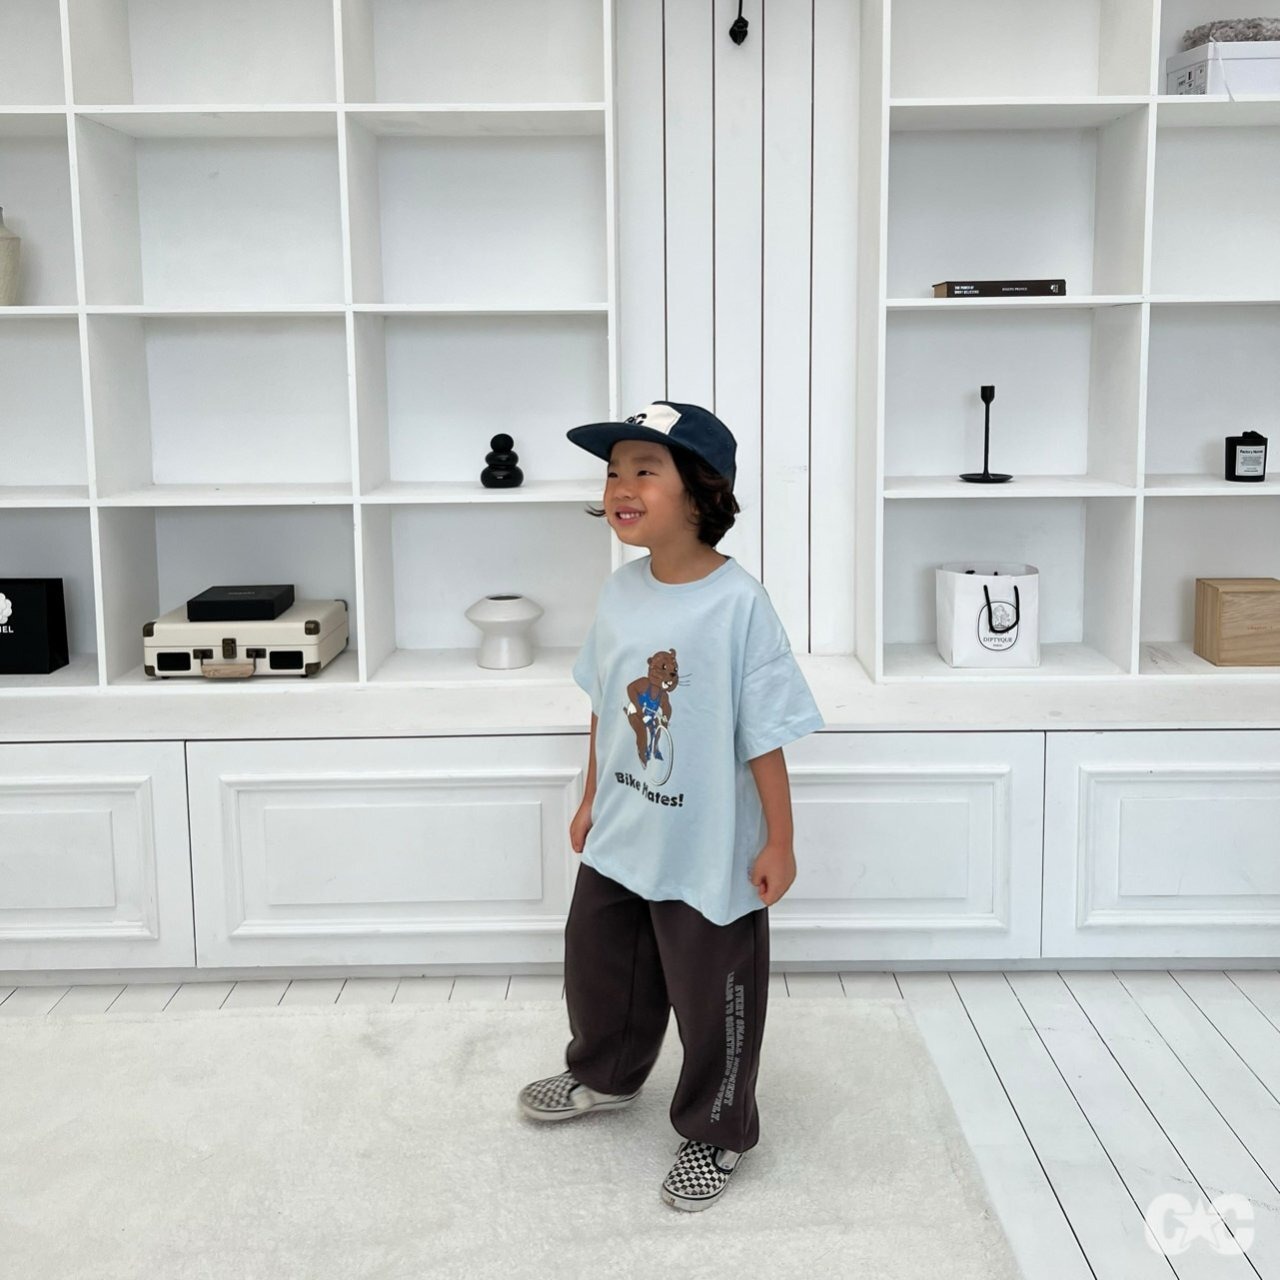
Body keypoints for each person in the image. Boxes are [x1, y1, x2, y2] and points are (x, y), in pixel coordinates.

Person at [516, 400, 825, 1212]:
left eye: (645, 471)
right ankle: (607, 1073)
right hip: (624, 826)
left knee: (712, 992)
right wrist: (590, 797)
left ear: (701, 491)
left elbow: (765, 732)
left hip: (707, 845)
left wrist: (780, 840)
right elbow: (602, 703)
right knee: (598, 964)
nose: (621, 486)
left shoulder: (739, 603)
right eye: (613, 472)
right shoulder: (621, 592)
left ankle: (717, 1129)